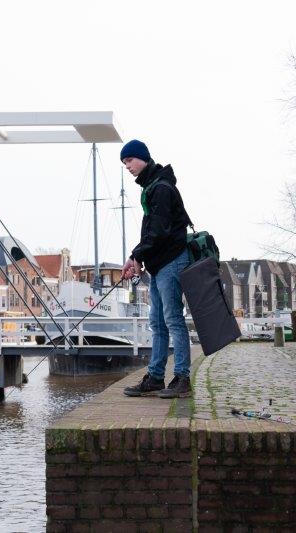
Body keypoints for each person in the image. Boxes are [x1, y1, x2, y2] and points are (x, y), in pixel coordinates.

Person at [118, 140, 193, 399]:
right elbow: (152, 232)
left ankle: (182, 378)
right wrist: (136, 258)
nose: (127, 166)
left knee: (173, 320)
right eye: (124, 163)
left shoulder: (160, 188)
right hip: (160, 264)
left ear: (143, 158)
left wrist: (137, 255)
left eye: (129, 160)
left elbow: (159, 231)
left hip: (172, 260)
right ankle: (156, 377)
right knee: (158, 323)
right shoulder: (152, 186)